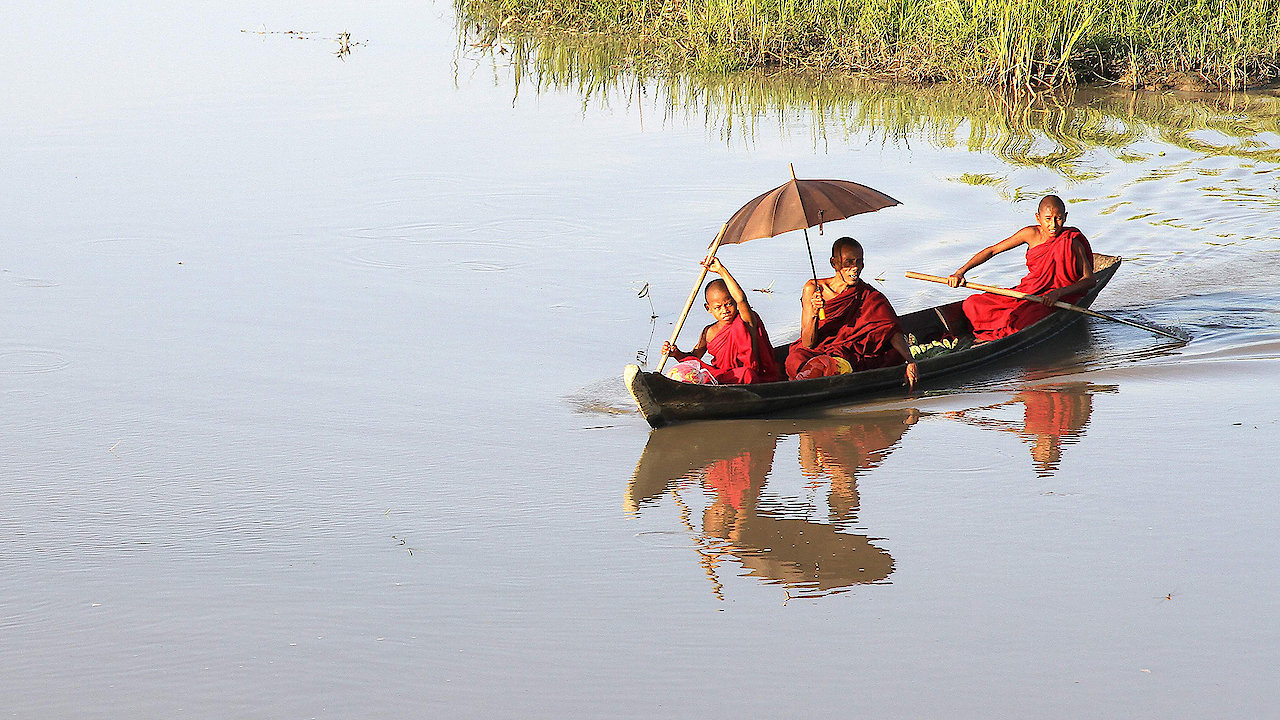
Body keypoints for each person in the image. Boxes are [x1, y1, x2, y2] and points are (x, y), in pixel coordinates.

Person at [948, 194, 1095, 342]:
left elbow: (1089, 280)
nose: (1053, 225)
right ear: (1038, 218)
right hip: (1028, 291)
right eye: (1048, 219)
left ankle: (996, 337)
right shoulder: (1030, 234)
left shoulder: (1071, 241)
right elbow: (993, 250)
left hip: (1055, 298)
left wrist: (1058, 293)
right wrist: (960, 272)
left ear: (1065, 217)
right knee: (972, 305)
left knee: (1023, 322)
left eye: (1058, 218)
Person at [784, 237, 917, 388]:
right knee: (795, 358)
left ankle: (808, 380)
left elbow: (891, 329)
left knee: (838, 363)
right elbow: (808, 343)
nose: (855, 268)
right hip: (818, 349)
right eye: (849, 262)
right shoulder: (813, 289)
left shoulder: (870, 296)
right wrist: (814, 313)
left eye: (858, 262)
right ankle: (811, 377)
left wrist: (910, 361)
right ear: (834, 263)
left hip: (847, 352)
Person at [662, 257, 781, 384]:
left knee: (746, 373)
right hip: (722, 377)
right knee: (689, 371)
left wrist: (721, 271)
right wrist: (676, 353)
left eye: (729, 304)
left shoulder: (746, 320)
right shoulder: (708, 332)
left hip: (745, 377)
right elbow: (695, 358)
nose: (724, 310)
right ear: (708, 308)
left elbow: (741, 299)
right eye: (718, 307)